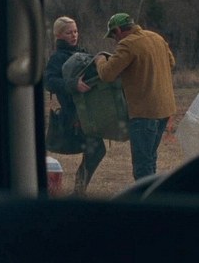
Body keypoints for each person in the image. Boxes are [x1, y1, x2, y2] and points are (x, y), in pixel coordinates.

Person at [94, 12, 176, 180]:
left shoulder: (127, 44)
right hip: (164, 109)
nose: (115, 41)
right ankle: (152, 190)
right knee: (150, 157)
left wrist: (99, 60)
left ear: (118, 30)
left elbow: (107, 74)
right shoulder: (156, 37)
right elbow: (171, 63)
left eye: (113, 35)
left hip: (144, 113)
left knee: (142, 166)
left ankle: (144, 193)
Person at [44, 16, 107, 196]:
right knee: (96, 149)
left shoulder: (81, 53)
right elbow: (49, 82)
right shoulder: (57, 57)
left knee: (95, 150)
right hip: (73, 114)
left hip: (88, 112)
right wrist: (73, 85)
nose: (74, 35)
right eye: (69, 32)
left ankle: (79, 191)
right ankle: (78, 191)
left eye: (75, 31)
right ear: (58, 35)